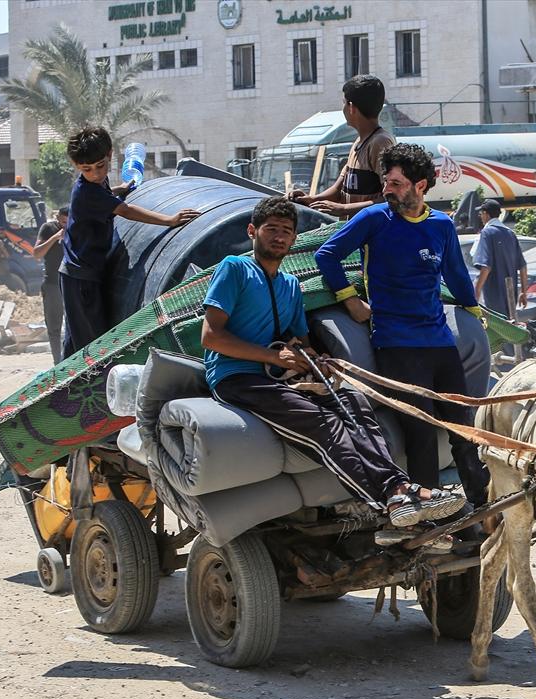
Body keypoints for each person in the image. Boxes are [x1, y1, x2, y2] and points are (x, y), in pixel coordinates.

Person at [202, 197, 465, 545]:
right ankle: (392, 497)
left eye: (286, 231)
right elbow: (211, 336)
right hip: (237, 377)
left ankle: (401, 492)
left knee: (354, 404)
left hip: (279, 375)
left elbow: (301, 341)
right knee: (321, 422)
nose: (279, 237)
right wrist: (275, 358)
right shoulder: (234, 269)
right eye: (271, 229)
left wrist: (315, 358)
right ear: (252, 231)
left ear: (294, 240)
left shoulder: (290, 286)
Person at [315, 143, 491, 509]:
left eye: (396, 183)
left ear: (420, 185)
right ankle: (426, 513)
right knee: (421, 432)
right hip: (396, 344)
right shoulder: (375, 219)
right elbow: (327, 255)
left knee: (463, 428)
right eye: (386, 182)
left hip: (440, 344)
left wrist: (474, 312)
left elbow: (456, 275)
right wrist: (350, 298)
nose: (387, 189)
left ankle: (480, 506)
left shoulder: (441, 225)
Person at [61, 126, 200, 358]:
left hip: (82, 272)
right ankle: (86, 385)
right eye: (87, 169)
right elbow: (126, 211)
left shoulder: (95, 185)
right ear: (75, 166)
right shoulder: (88, 192)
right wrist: (169, 220)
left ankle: (65, 381)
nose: (96, 173)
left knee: (77, 335)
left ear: (110, 156)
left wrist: (122, 188)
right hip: (81, 276)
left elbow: (106, 194)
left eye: (101, 166)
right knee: (91, 341)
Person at [290, 74, 395, 219]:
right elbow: (339, 189)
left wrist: (345, 208)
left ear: (351, 107)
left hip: (373, 235)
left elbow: (391, 198)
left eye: (344, 102)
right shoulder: (358, 142)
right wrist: (311, 200)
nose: (343, 108)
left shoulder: (380, 143)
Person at [472, 199, 528, 321]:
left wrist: (476, 292)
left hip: (492, 298)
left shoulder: (487, 233)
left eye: (481, 213)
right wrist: (524, 292)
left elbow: (486, 266)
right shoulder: (510, 234)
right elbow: (523, 266)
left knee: (494, 334)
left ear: (486, 214)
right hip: (510, 298)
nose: (480, 216)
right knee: (509, 331)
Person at [34, 206, 69, 363]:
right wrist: (55, 238)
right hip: (53, 284)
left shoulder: (77, 227)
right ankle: (58, 363)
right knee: (54, 328)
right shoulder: (48, 228)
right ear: (58, 218)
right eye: (63, 222)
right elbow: (37, 253)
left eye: (69, 222)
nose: (65, 225)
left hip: (70, 283)